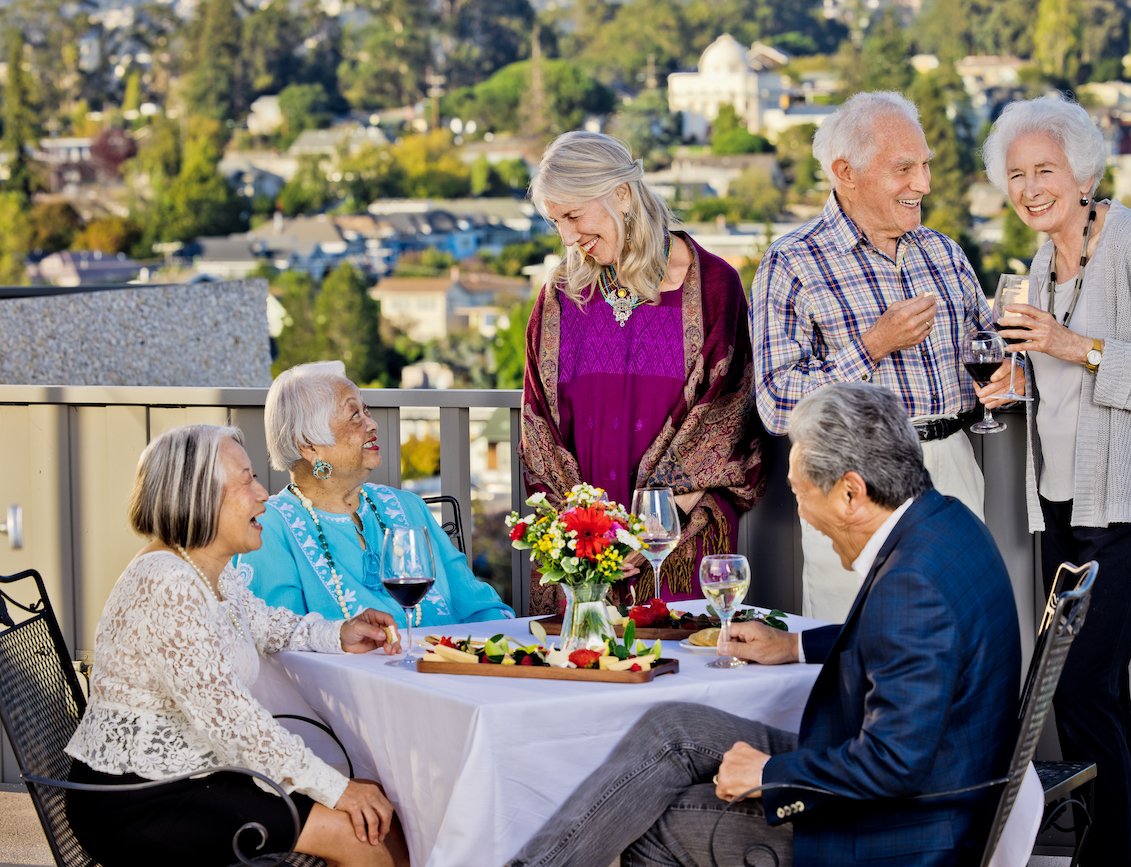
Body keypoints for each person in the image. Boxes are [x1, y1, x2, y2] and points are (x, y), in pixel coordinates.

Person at [508, 382, 1021, 866]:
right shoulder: (945, 522)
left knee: (658, 822)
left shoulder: (912, 587)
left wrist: (770, 776)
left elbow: (894, 764)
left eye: (799, 492)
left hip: (901, 832)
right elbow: (908, 645)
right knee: (673, 728)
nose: (799, 508)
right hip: (931, 782)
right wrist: (794, 645)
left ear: (850, 493)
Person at [979, 95, 1131, 867]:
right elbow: (1058, 373)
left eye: (1044, 169)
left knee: (1081, 682)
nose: (1029, 187)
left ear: (1083, 172)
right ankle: (1105, 854)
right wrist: (1020, 382)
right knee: (1095, 687)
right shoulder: (1038, 263)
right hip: (1065, 496)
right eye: (1016, 174)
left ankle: (1104, 857)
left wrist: (1069, 343)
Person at [64, 424, 410, 867]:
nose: (264, 493)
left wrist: (340, 632)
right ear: (199, 497)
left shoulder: (206, 567)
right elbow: (232, 722)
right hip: (143, 799)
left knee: (378, 807)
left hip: (198, 774)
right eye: (246, 480)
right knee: (359, 832)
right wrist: (338, 790)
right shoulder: (167, 583)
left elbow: (266, 625)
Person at [749, 90, 994, 621]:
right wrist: (871, 347)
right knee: (854, 641)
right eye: (904, 168)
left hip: (953, 465)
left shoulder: (944, 252)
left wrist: (1007, 379)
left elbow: (987, 349)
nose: (923, 184)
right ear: (846, 171)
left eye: (925, 165)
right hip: (853, 481)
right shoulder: (791, 263)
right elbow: (775, 404)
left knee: (961, 631)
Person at [520, 130, 765, 612]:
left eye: (573, 215)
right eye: (556, 222)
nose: (568, 237)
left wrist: (650, 529)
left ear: (623, 195)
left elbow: (727, 418)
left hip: (677, 545)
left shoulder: (715, 285)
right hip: (583, 559)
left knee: (679, 675)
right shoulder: (560, 297)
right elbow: (538, 428)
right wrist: (586, 539)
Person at [237, 361, 512, 625]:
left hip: (447, 667)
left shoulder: (406, 507)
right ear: (310, 446)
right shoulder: (270, 527)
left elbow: (478, 605)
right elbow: (282, 642)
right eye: (355, 415)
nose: (372, 424)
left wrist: (509, 650)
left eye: (366, 411)